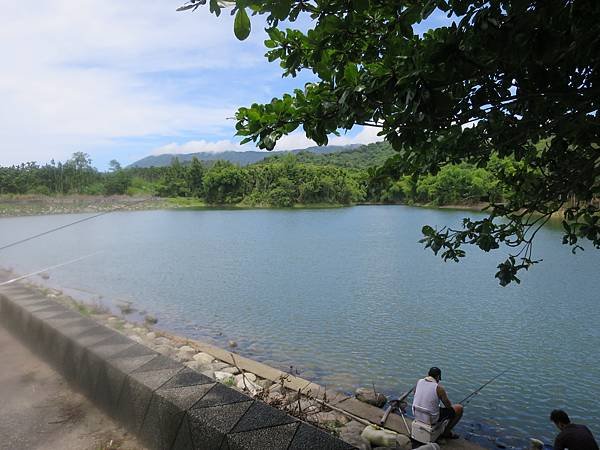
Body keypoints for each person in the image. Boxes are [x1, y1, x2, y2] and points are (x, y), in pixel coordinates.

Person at [412, 367, 463, 439]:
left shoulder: (419, 381)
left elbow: (414, 393)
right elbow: (448, 406)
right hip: (431, 418)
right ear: (438, 377)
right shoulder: (439, 388)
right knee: (459, 408)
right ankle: (446, 433)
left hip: (416, 413)